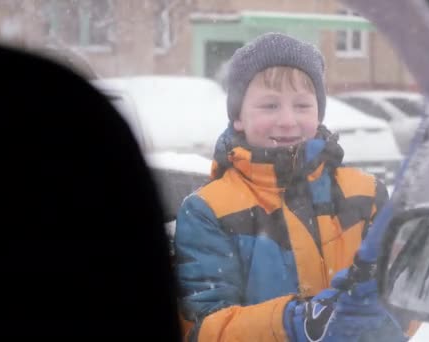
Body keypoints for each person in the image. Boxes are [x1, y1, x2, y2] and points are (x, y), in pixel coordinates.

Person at [174, 33, 406, 342]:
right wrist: (291, 324)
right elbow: (201, 329)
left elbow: (405, 300)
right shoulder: (208, 210)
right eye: (270, 105)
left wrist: (384, 316)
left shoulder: (365, 194)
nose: (287, 120)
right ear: (238, 116)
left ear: (319, 113)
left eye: (302, 105)